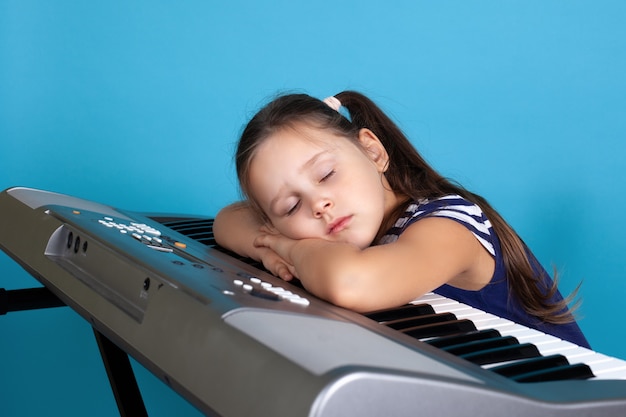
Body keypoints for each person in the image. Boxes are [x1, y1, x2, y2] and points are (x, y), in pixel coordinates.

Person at [214, 90, 590, 348]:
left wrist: (283, 246)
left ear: (373, 152)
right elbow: (228, 220)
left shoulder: (450, 223)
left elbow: (350, 282)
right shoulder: (353, 235)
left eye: (326, 175)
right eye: (290, 206)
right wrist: (267, 252)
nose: (319, 205)